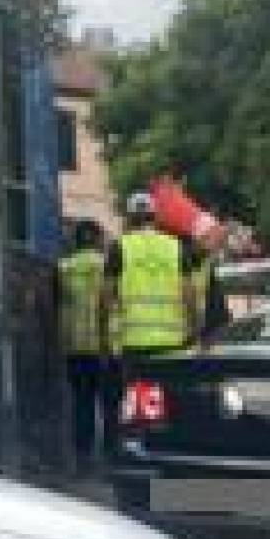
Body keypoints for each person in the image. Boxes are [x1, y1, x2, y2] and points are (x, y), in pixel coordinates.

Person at [100, 192, 198, 365]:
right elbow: (189, 295)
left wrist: (104, 340)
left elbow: (105, 298)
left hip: (133, 342)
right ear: (154, 218)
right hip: (171, 342)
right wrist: (193, 332)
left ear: (129, 219)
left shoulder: (119, 248)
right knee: (167, 390)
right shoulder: (175, 247)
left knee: (136, 390)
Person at [59, 219, 110, 468]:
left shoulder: (64, 267)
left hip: (75, 348)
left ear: (76, 241)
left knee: (82, 406)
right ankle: (111, 458)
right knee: (110, 405)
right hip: (105, 348)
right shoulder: (107, 266)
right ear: (99, 240)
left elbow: (56, 304)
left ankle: (83, 459)